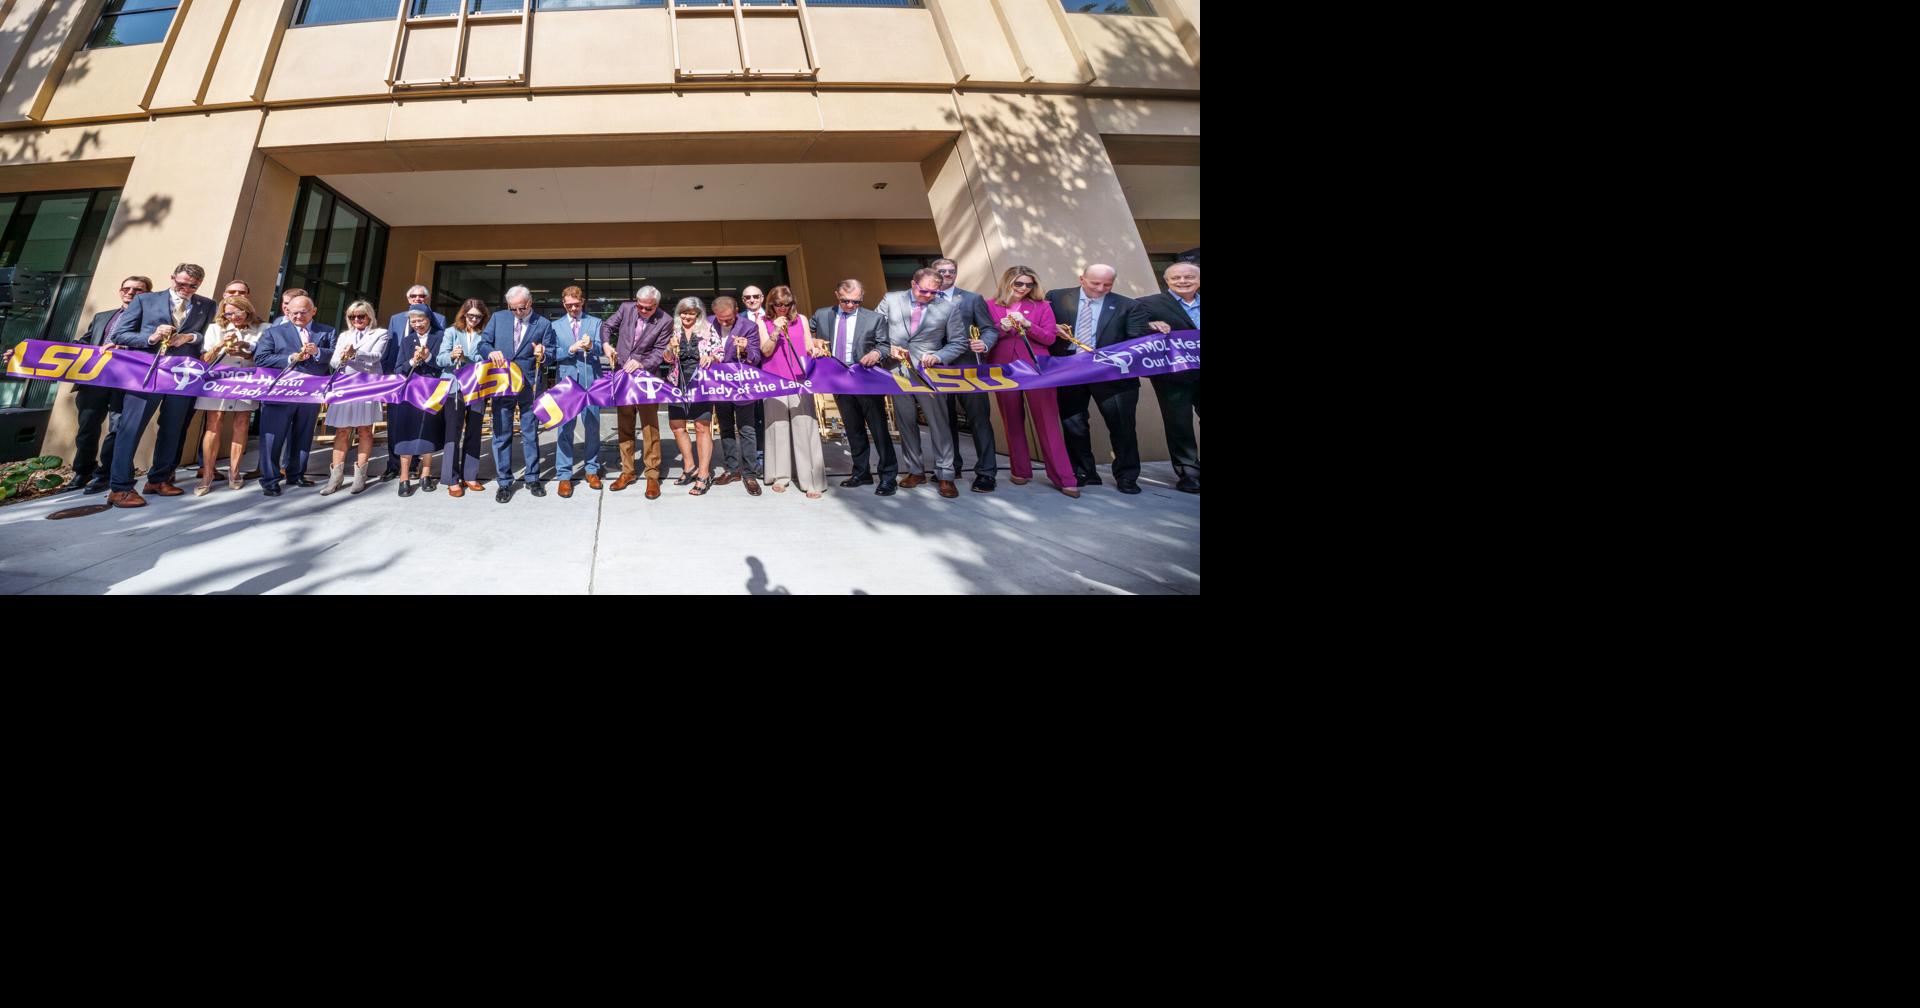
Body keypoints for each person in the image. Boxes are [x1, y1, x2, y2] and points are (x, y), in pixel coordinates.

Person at [102, 263, 216, 508]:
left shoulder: (207, 305)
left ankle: (158, 479)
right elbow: (120, 335)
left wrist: (190, 337)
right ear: (172, 278)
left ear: (200, 285)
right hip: (146, 374)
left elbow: (205, 336)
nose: (185, 289)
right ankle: (120, 487)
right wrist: (151, 337)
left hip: (181, 378)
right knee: (130, 429)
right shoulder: (145, 300)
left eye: (192, 286)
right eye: (181, 283)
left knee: (173, 430)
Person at [1046, 263, 1150, 494]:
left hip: (1111, 376)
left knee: (1122, 427)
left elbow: (1137, 341)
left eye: (1107, 284)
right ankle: (1084, 472)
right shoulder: (1056, 297)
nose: (1101, 288)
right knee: (1074, 425)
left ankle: (1127, 476)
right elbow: (1043, 326)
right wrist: (1053, 328)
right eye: (1095, 283)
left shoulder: (1128, 306)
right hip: (1069, 372)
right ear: (1082, 279)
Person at [983, 266, 1078, 498]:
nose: (1024, 288)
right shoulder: (988, 305)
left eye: (1029, 284)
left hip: (1037, 369)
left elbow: (1048, 337)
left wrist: (1028, 326)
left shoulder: (1042, 306)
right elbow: (985, 337)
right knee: (1011, 420)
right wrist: (1001, 328)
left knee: (1048, 422)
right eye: (1019, 284)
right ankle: (1020, 470)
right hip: (1003, 368)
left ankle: (1064, 477)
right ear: (1007, 283)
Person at [877, 268, 966, 498]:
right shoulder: (891, 299)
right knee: (906, 422)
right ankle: (915, 471)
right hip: (896, 370)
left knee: (939, 423)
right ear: (912, 284)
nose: (927, 295)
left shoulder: (948, 308)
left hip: (929, 373)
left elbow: (958, 342)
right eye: (923, 290)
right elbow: (875, 330)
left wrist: (939, 356)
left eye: (933, 292)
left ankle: (946, 475)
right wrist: (887, 349)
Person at [67, 274, 150, 494]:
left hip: (124, 382)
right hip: (93, 381)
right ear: (120, 291)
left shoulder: (148, 321)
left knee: (116, 428)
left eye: (137, 290)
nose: (130, 293)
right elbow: (83, 343)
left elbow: (150, 350)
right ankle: (83, 471)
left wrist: (125, 350)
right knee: (87, 428)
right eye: (126, 289)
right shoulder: (103, 316)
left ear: (146, 295)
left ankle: (105, 474)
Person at [812, 279, 896, 495]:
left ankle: (888, 477)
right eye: (845, 301)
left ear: (862, 298)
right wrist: (812, 343)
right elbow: (805, 334)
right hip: (838, 379)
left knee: (878, 430)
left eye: (855, 302)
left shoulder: (875, 318)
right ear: (836, 295)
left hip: (866, 378)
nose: (850, 305)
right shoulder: (823, 314)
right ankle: (861, 472)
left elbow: (884, 346)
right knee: (853, 429)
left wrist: (876, 353)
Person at [251, 294, 335, 498]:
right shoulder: (274, 332)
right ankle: (270, 480)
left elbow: (335, 355)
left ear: (313, 311)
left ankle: (296, 474)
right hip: (280, 393)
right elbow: (261, 358)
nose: (298, 316)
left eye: (303, 312)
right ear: (287, 312)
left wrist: (318, 352)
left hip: (310, 394)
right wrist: (290, 357)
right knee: (272, 438)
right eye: (294, 312)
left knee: (303, 435)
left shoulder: (327, 331)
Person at [478, 285, 554, 503]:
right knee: (502, 434)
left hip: (529, 387)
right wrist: (490, 352)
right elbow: (483, 343)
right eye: (513, 309)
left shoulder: (544, 323)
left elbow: (551, 353)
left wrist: (543, 354)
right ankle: (504, 482)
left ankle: (532, 478)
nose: (517, 313)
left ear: (529, 303)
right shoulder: (498, 318)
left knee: (530, 434)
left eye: (520, 308)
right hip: (503, 384)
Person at [932, 258, 1001, 492]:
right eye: (942, 271)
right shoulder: (924, 299)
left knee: (979, 419)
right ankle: (951, 467)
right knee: (944, 421)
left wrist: (985, 343)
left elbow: (990, 328)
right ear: (933, 273)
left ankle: (986, 472)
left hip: (968, 368)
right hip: (936, 369)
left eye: (952, 271)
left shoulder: (972, 299)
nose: (947, 274)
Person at [755, 285, 827, 498]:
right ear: (771, 304)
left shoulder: (802, 319)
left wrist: (814, 349)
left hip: (799, 379)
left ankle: (812, 478)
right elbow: (764, 351)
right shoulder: (763, 322)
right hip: (774, 380)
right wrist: (776, 330)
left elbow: (806, 344)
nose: (783, 309)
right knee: (777, 428)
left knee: (805, 427)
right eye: (778, 305)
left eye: (786, 305)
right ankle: (780, 476)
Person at [601, 285, 673, 499]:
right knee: (625, 424)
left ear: (656, 305)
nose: (642, 311)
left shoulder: (665, 320)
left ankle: (652, 475)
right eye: (640, 306)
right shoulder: (626, 308)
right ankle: (628, 471)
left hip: (646, 379)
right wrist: (606, 344)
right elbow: (607, 326)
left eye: (647, 308)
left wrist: (641, 363)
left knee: (650, 427)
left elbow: (661, 351)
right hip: (623, 376)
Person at [1135, 261, 1201, 494]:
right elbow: (1131, 327)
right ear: (1167, 281)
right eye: (1177, 278)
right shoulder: (1148, 303)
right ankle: (1189, 474)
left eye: (1189, 277)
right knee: (1179, 424)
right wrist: (1150, 325)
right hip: (1174, 376)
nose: (1183, 281)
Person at [191, 294, 264, 495]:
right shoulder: (215, 329)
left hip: (245, 381)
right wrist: (220, 345)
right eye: (229, 313)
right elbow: (205, 359)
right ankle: (207, 475)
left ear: (247, 309)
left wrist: (245, 350)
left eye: (238, 311)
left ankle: (235, 472)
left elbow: (263, 356)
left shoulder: (262, 329)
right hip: (218, 382)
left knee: (241, 425)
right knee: (213, 425)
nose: (234, 316)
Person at [319, 300, 390, 495]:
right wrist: (343, 357)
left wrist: (355, 353)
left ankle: (360, 477)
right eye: (352, 316)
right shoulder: (344, 335)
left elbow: (376, 356)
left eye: (361, 316)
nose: (356, 319)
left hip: (367, 385)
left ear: (369, 317)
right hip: (345, 386)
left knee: (365, 430)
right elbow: (334, 361)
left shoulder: (380, 333)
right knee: (342, 431)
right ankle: (336, 477)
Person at [382, 284, 445, 481]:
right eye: (413, 296)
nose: (417, 298)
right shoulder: (398, 324)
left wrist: (426, 358)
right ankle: (396, 467)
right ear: (408, 299)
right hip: (403, 384)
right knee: (400, 426)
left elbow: (442, 359)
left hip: (429, 385)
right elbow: (393, 352)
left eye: (421, 296)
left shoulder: (440, 326)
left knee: (426, 427)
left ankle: (422, 469)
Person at [663, 297, 722, 496]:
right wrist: (670, 349)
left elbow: (720, 352)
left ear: (698, 315)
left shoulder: (707, 328)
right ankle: (689, 467)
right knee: (677, 426)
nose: (687, 316)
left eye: (691, 313)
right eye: (684, 313)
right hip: (676, 382)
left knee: (701, 426)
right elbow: (667, 358)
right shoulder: (672, 329)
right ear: (679, 313)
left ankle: (704, 474)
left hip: (701, 382)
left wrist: (711, 356)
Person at [550, 286, 604, 498]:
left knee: (592, 426)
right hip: (567, 382)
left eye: (576, 304)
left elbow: (603, 347)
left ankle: (591, 469)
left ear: (583, 302)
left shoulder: (595, 322)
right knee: (565, 429)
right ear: (563, 304)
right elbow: (552, 353)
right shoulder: (555, 326)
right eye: (568, 305)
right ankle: (564, 474)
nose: (573, 308)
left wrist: (591, 346)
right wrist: (570, 349)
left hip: (591, 380)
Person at [435, 299, 490, 497]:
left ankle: (470, 475)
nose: (474, 319)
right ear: (463, 314)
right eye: (470, 315)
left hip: (476, 387)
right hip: (454, 387)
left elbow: (487, 360)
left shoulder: (485, 335)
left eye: (478, 316)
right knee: (453, 432)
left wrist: (467, 356)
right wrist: (451, 355)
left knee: (474, 431)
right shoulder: (451, 332)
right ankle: (451, 478)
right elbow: (439, 360)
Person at [707, 295, 761, 496]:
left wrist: (746, 348)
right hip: (719, 387)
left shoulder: (749, 327)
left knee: (747, 430)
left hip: (742, 387)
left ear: (736, 311)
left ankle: (749, 473)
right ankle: (732, 469)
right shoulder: (708, 324)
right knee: (726, 428)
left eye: (728, 319)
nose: (724, 322)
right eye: (720, 318)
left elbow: (756, 357)